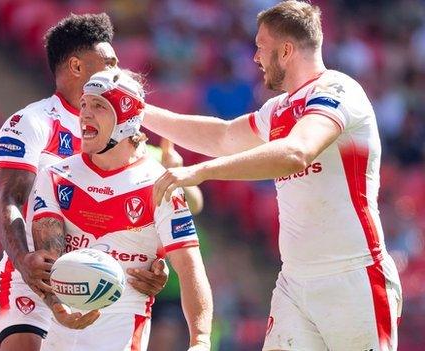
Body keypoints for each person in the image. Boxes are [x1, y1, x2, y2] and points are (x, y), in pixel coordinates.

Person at [145, 1, 402, 350]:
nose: (255, 57)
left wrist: (202, 171)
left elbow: (297, 152)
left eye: (261, 47)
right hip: (295, 281)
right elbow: (222, 137)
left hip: (352, 275)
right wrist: (139, 112)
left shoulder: (337, 91)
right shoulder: (277, 109)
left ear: (286, 50)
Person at [0, 14, 168, 350]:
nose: (118, 69)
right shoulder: (31, 122)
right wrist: (24, 262)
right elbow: (10, 200)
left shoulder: (127, 131)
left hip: (101, 278)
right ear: (76, 66)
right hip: (34, 270)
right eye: (109, 61)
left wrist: (155, 267)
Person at [30, 69, 212, 351]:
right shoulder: (56, 175)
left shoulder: (160, 184)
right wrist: (56, 306)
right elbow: (48, 260)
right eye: (84, 104)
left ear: (127, 119)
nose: (85, 114)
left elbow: (189, 267)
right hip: (58, 322)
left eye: (99, 106)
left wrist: (200, 341)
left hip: (121, 324)